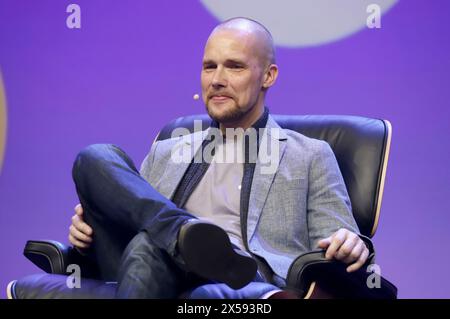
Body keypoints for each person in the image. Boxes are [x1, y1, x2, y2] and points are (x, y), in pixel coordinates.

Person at [68, 17, 373, 299]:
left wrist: (351, 242)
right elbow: (134, 223)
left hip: (243, 277)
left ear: (268, 75)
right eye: (209, 67)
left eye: (234, 67)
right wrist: (89, 235)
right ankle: (182, 234)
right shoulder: (167, 150)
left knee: (149, 246)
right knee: (95, 156)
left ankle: (196, 243)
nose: (216, 79)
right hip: (155, 262)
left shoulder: (309, 155)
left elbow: (337, 241)